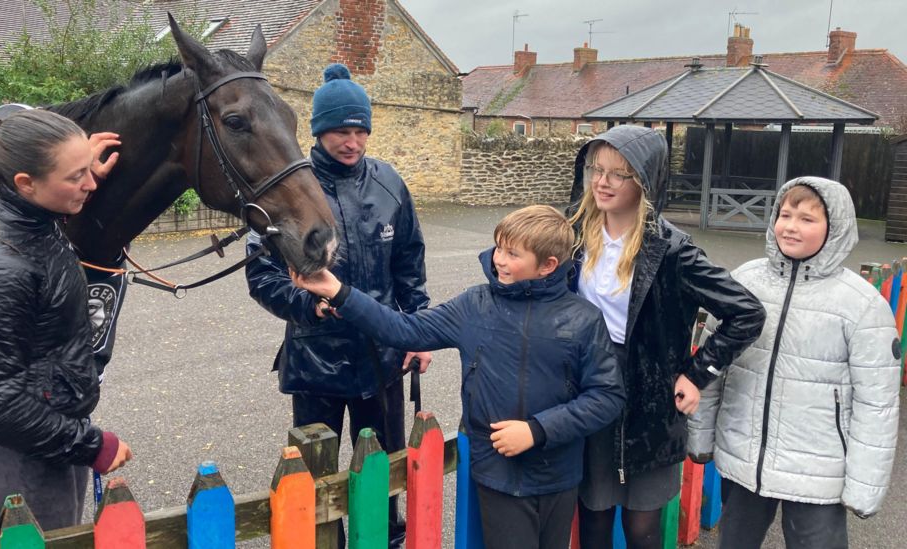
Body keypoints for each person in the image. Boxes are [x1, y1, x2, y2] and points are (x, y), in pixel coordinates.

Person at [293, 205, 626, 549]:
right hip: (498, 474)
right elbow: (403, 329)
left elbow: (606, 396)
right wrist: (338, 292)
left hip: (559, 475)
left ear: (548, 266)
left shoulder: (583, 319)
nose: (499, 260)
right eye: (499, 247)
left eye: (513, 254)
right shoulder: (475, 306)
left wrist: (537, 430)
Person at [245, 63, 428, 547]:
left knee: (384, 472)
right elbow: (262, 276)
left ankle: (385, 539)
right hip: (315, 361)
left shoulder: (389, 182)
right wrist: (308, 307)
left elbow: (410, 262)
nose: (352, 142)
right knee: (316, 477)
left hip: (383, 357)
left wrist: (419, 331)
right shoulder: (287, 190)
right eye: (341, 131)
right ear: (319, 131)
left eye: (360, 130)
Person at [566, 125, 766, 549]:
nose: (602, 182)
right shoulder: (574, 233)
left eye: (618, 174)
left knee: (642, 528)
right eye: (597, 169)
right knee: (594, 519)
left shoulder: (672, 250)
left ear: (645, 181)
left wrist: (697, 373)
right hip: (587, 391)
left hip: (649, 408)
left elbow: (746, 312)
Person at [0, 109, 131, 530]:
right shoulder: (1, 268)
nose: (90, 183)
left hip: (45, 438)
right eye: (75, 176)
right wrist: (91, 444)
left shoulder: (29, 218)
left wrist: (75, 171)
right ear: (26, 183)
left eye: (89, 170)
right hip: (21, 458)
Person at [688, 177, 901, 549]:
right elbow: (713, 366)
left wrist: (864, 485)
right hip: (745, 457)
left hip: (818, 471)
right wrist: (701, 434)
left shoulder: (862, 305)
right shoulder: (745, 282)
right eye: (784, 214)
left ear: (834, 228)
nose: (790, 226)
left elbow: (877, 404)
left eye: (806, 219)